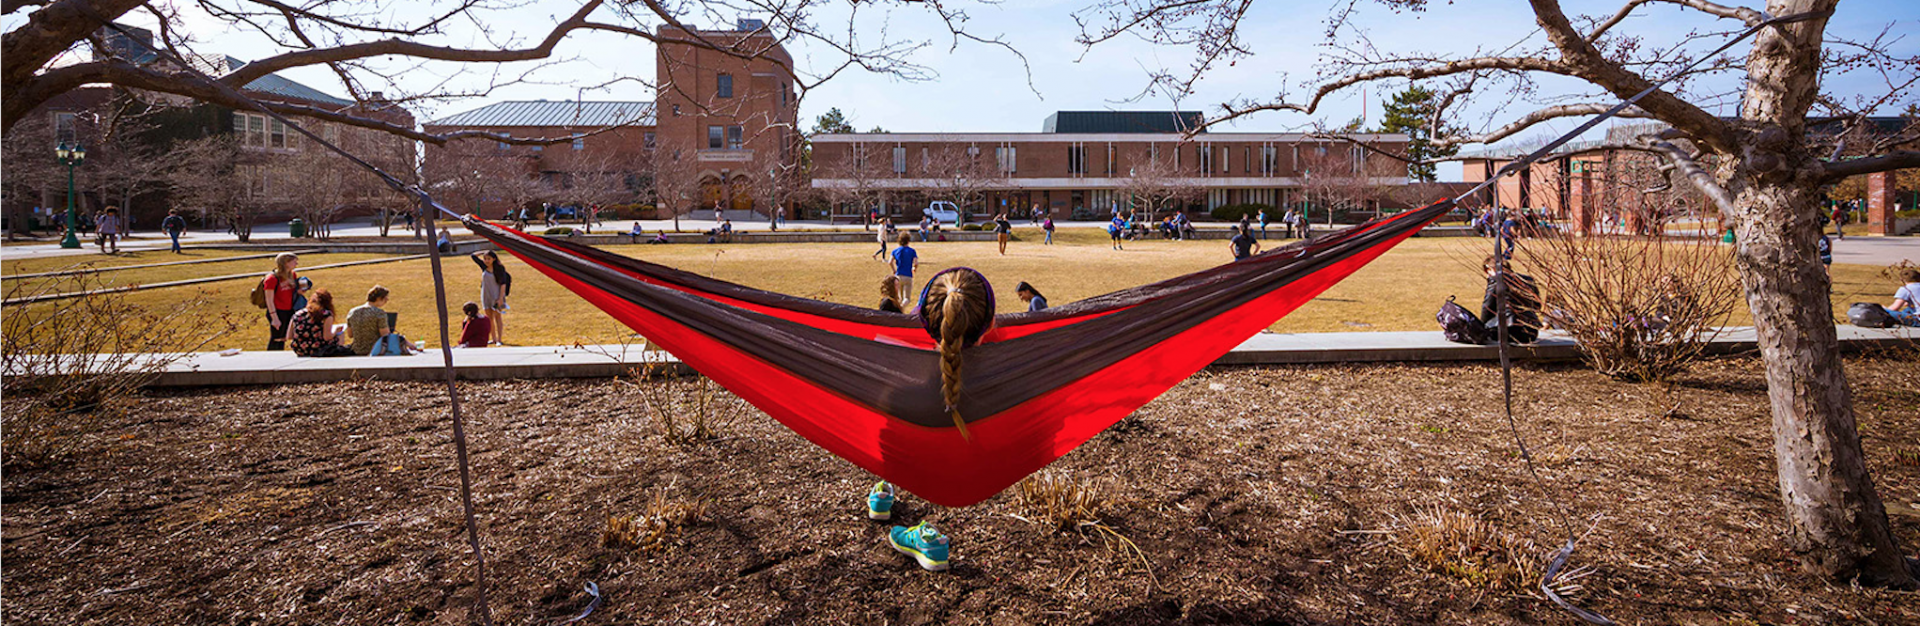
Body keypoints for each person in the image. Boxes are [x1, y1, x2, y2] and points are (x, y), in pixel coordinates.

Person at [871, 267, 993, 572]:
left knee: (888, 451)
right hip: (984, 483)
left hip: (907, 462)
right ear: (989, 322)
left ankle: (884, 494)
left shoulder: (897, 388)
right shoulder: (1018, 380)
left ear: (924, 321)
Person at [1479, 255, 1542, 344]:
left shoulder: (1496, 280)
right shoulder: (1528, 280)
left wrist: (1481, 327)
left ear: (1489, 269)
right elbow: (1537, 306)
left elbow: (1487, 307)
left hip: (1506, 331)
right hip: (1530, 332)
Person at [348, 285, 417, 356]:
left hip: (356, 350)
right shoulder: (379, 313)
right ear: (379, 298)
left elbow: (350, 334)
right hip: (375, 350)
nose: (386, 301)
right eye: (385, 299)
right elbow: (385, 335)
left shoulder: (352, 312)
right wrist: (406, 342)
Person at [288, 289, 355, 357]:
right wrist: (336, 331)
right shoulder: (326, 315)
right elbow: (327, 337)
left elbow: (289, 336)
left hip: (300, 350)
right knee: (340, 334)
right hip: (319, 350)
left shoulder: (297, 314)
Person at [262, 253, 302, 351]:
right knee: (276, 338)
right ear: (286, 263)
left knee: (284, 338)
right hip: (277, 311)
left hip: (289, 310)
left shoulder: (292, 275)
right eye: (294, 261)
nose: (296, 263)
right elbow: (269, 299)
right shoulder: (272, 278)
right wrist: (274, 317)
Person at [472, 250, 507, 345]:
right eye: (485, 259)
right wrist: (483, 252)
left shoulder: (499, 269)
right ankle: (493, 338)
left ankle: (499, 339)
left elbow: (503, 284)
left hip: (496, 295)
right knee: (489, 318)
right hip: (486, 295)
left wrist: (500, 298)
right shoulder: (484, 267)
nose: (486, 261)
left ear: (494, 259)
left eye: (489, 259)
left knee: (497, 317)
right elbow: (473, 256)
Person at [889, 232, 919, 306]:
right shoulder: (912, 251)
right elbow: (916, 263)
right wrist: (914, 268)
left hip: (898, 275)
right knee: (907, 299)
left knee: (900, 298)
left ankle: (900, 311)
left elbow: (890, 262)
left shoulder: (895, 251)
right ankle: (901, 308)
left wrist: (894, 270)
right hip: (908, 275)